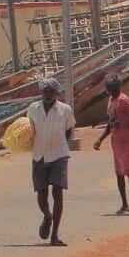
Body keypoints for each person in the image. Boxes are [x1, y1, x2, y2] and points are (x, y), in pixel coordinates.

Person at [27, 78, 75, 246]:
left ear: (56, 93)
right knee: (41, 194)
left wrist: (60, 145)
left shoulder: (65, 110)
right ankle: (48, 216)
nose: (47, 94)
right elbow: (28, 130)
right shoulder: (33, 109)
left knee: (58, 192)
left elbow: (69, 131)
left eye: (51, 91)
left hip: (59, 155)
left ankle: (55, 235)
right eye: (45, 91)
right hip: (39, 155)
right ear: (41, 92)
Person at [92, 74, 129, 215]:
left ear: (119, 87)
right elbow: (111, 123)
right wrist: (100, 139)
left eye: (113, 89)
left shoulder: (124, 100)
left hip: (128, 140)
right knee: (119, 173)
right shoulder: (110, 100)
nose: (111, 91)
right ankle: (124, 204)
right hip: (116, 141)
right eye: (109, 89)